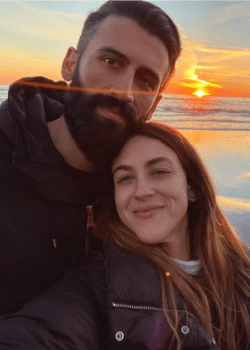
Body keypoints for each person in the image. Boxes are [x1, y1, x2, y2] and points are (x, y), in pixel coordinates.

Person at [0, 1, 181, 315]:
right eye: (111, 61)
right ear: (71, 63)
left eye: (146, 81)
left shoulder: (147, 191)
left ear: (154, 104)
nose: (124, 91)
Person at [0, 122, 250, 350]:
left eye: (159, 172)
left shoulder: (242, 269)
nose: (141, 191)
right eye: (126, 178)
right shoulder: (97, 287)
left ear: (192, 188)